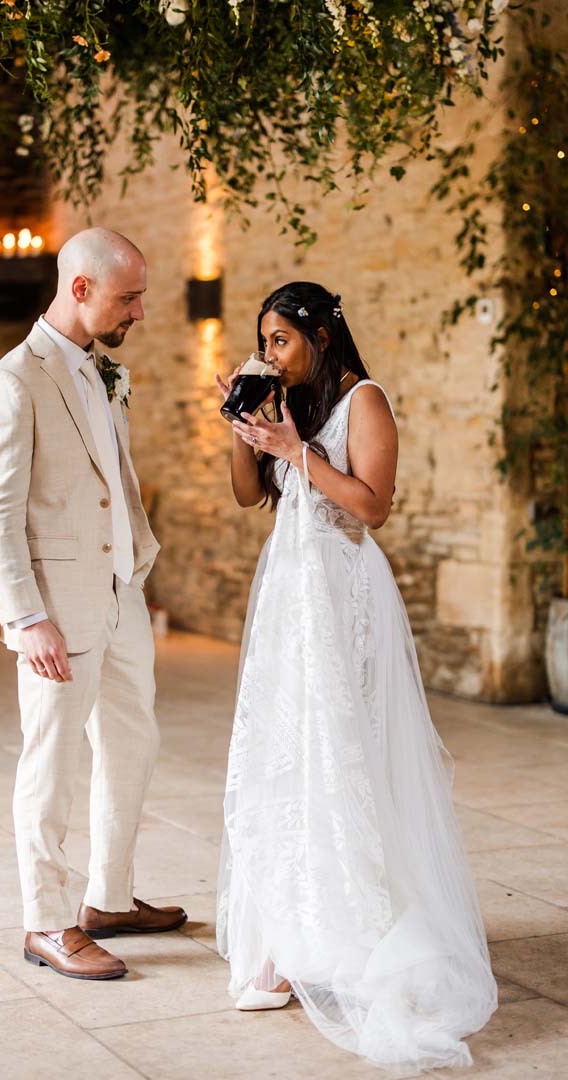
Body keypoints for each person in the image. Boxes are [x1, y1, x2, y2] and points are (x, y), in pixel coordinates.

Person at [215, 281, 497, 1071]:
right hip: (289, 592)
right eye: (263, 343)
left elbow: (371, 507)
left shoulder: (361, 400)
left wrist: (294, 451)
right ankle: (280, 938)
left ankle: (355, 931)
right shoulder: (288, 403)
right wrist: (246, 429)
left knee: (343, 753)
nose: (270, 354)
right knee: (283, 752)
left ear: (320, 334)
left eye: (279, 340)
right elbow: (247, 496)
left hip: (343, 592)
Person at [0, 227, 187, 982]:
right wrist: (27, 617)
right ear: (83, 289)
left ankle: (109, 898)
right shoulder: (12, 382)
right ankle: (46, 922)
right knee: (52, 763)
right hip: (58, 610)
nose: (140, 312)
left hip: (123, 593)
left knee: (134, 745)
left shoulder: (103, 372)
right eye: (129, 298)